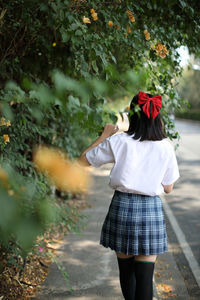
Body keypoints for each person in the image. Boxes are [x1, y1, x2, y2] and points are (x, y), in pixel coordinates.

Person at [79, 91, 180, 300]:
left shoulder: (119, 141)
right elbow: (168, 188)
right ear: (157, 115)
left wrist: (104, 135)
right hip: (150, 213)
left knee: (126, 273)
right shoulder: (166, 146)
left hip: (122, 209)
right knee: (145, 277)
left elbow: (82, 161)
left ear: (133, 114)